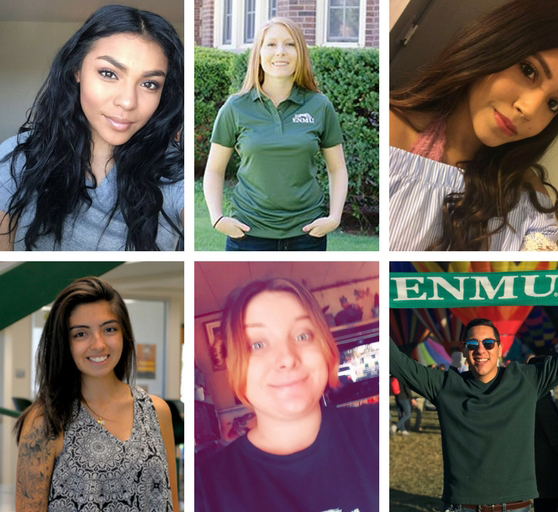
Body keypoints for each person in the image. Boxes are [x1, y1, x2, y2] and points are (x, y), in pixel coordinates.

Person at [389, 0, 558, 251]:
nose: (529, 109)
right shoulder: (390, 138)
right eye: (528, 70)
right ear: (492, 46)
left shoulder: (528, 196)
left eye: (553, 104)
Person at [0, 5, 184, 251]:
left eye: (149, 84)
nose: (128, 102)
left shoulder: (174, 172)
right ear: (77, 70)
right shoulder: (17, 159)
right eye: (109, 73)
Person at [195, 278, 377, 510]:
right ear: (232, 365)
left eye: (302, 336)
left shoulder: (378, 429)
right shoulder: (203, 488)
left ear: (325, 346)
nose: (288, 359)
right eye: (257, 344)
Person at [14, 277, 178, 511]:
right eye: (81, 334)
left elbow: (169, 501)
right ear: (64, 342)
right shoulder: (44, 422)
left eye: (109, 329)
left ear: (124, 334)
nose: (99, 344)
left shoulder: (157, 410)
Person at [390, 318, 558, 511]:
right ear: (463, 350)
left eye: (488, 343)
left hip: (515, 506)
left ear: (500, 348)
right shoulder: (444, 385)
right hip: (463, 506)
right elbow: (397, 361)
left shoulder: (526, 380)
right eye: (472, 344)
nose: (480, 350)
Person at [203, 18, 349, 251]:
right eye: (271, 44)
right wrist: (217, 218)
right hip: (248, 234)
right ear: (258, 53)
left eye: (289, 44)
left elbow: (337, 168)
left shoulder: (320, 105)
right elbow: (214, 169)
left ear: (300, 52)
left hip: (307, 234)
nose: (280, 52)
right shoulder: (235, 107)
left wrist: (334, 217)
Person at [527, 356, 558, 512]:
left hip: (537, 467)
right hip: (548, 468)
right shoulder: (542, 402)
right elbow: (556, 437)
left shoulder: (530, 398)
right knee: (548, 507)